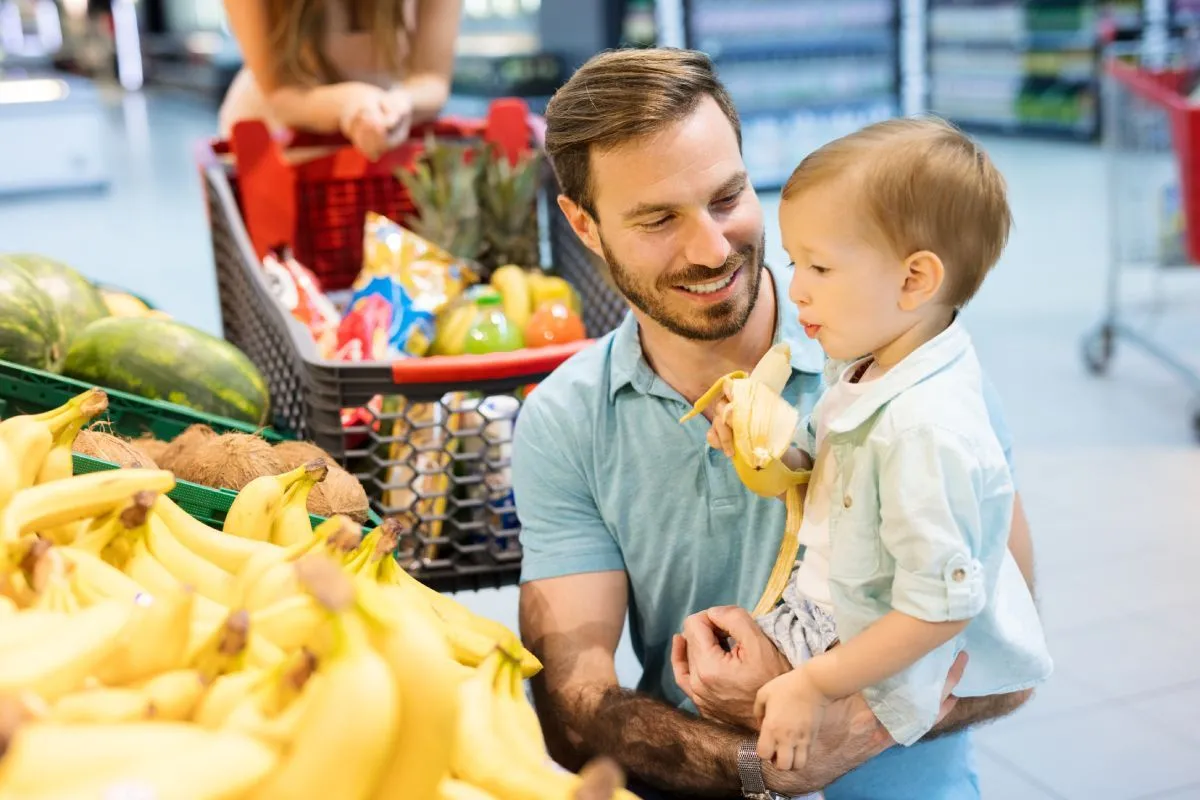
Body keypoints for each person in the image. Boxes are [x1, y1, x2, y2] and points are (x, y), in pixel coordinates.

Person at [512, 48, 1037, 800]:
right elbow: (575, 705)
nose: (712, 248)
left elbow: (1011, 651)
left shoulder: (910, 361)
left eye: (727, 197)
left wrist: (830, 717)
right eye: (658, 219)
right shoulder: (568, 419)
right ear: (584, 227)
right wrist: (763, 760)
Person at [698, 117, 1052, 772]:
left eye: (821, 266)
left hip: (863, 649)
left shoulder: (925, 432)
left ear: (915, 280)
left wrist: (814, 683)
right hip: (830, 608)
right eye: (793, 262)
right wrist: (773, 451)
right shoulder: (870, 363)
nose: (796, 287)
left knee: (759, 744)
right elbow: (826, 453)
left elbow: (937, 612)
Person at [218, 0, 461, 160]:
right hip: (277, 143)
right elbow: (281, 94)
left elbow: (433, 79)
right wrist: (350, 102)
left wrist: (401, 104)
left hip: (385, 146)